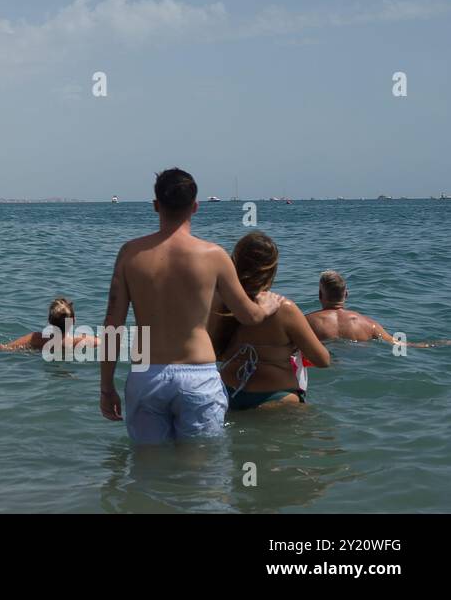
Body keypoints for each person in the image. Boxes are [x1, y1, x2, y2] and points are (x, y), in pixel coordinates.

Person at [99, 168, 283, 444]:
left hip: (146, 374)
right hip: (198, 376)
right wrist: (267, 305)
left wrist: (106, 387)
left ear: (155, 205)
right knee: (203, 472)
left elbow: (113, 324)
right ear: (195, 207)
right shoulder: (214, 256)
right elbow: (247, 315)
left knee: (149, 468)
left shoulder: (130, 254)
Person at [209, 232, 330, 409]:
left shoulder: (220, 302)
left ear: (235, 264)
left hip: (227, 395)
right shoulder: (284, 308)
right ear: (272, 269)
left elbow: (213, 351)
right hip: (277, 398)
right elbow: (323, 360)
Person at [305, 270, 397, 343]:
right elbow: (397, 344)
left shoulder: (306, 323)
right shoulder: (369, 325)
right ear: (346, 295)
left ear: (320, 295)